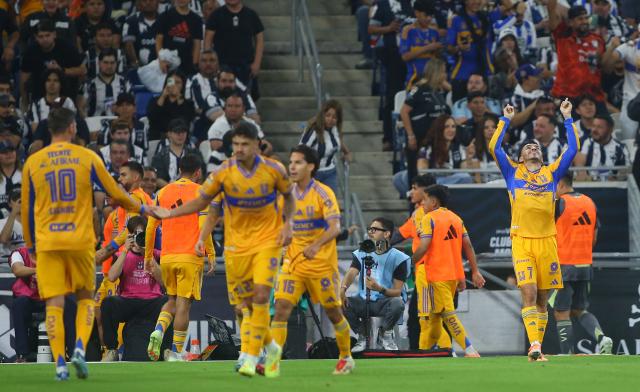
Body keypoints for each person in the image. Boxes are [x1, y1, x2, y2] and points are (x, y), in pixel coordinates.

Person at [151, 122, 295, 376]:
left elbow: (290, 198)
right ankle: (270, 346)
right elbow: (205, 203)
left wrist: (288, 225)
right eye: (235, 144)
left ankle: (250, 357)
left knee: (261, 296)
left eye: (244, 144)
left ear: (256, 145)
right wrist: (174, 216)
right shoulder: (224, 172)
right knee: (242, 307)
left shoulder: (274, 170)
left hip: (266, 243)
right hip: (236, 246)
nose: (239, 149)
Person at [20, 107, 151, 380]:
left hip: (48, 242)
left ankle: (59, 363)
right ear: (71, 128)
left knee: (54, 304)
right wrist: (144, 208)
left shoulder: (33, 162)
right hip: (79, 241)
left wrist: (32, 245)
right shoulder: (87, 157)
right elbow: (115, 192)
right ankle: (79, 348)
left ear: (48, 128)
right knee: (84, 299)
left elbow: (27, 209)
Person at [489, 100, 578, 361]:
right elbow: (494, 146)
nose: (532, 147)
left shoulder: (551, 173)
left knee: (542, 299)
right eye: (527, 146)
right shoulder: (512, 172)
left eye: (535, 146)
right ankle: (535, 346)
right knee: (528, 292)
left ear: (541, 154)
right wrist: (505, 120)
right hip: (522, 242)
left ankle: (536, 345)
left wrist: (567, 117)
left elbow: (572, 148)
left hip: (548, 241)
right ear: (521, 156)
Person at [268, 145, 354, 376]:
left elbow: (335, 227)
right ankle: (273, 361)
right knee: (282, 308)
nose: (292, 167)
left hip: (321, 265)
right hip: (294, 263)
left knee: (333, 312)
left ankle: (346, 357)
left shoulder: (323, 193)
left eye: (298, 162)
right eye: (291, 162)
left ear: (311, 166)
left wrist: (316, 245)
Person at [144, 153, 214, 362]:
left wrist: (149, 256)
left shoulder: (162, 192)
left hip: (167, 257)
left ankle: (158, 329)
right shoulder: (202, 193)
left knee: (171, 300)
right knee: (184, 304)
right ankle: (176, 351)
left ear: (178, 170)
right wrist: (210, 252)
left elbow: (150, 227)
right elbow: (204, 226)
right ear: (198, 172)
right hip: (189, 256)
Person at [411, 184, 485, 356]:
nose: (423, 204)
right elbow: (468, 245)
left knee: (447, 315)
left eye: (425, 200)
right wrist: (474, 271)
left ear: (434, 202)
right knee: (434, 319)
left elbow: (424, 246)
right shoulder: (456, 219)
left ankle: (470, 350)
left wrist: (410, 261)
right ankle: (425, 353)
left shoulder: (429, 219)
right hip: (453, 276)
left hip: (436, 275)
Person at [554, 173, 613, 355]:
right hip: (585, 265)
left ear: (561, 184)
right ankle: (602, 338)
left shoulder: (558, 204)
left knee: (561, 312)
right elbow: (594, 237)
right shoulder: (590, 202)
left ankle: (568, 353)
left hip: (564, 265)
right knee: (580, 309)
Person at [394, 174, 451, 350]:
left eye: (415, 188)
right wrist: (377, 244)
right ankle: (428, 352)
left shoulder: (432, 215)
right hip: (431, 273)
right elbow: (400, 234)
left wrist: (412, 260)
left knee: (430, 315)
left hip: (433, 272)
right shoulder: (418, 214)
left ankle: (438, 351)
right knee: (424, 316)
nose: (411, 192)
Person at [101, 216, 166, 361]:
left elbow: (164, 283)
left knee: (168, 302)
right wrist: (125, 251)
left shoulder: (155, 254)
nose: (139, 238)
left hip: (151, 301)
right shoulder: (121, 255)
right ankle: (112, 350)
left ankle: (167, 350)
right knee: (108, 303)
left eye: (142, 234)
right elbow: (111, 277)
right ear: (130, 236)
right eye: (136, 235)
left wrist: (146, 253)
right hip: (128, 301)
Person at [341, 217, 410, 351]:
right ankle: (363, 335)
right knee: (341, 302)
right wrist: (343, 288)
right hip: (363, 300)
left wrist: (380, 289)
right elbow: (351, 272)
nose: (370, 232)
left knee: (398, 303)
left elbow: (397, 292)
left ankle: (385, 334)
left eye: (375, 229)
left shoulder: (399, 258)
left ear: (387, 233)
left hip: (385, 302)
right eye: (369, 229)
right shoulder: (362, 251)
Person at [9, 246, 76, 363]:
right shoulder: (19, 253)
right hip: (29, 297)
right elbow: (17, 270)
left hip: (50, 297)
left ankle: (72, 354)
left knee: (69, 303)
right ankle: (22, 355)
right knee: (19, 304)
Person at [400, 58, 451, 185]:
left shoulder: (438, 91)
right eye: (443, 72)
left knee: (431, 174)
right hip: (418, 137)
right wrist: (410, 135)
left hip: (434, 139)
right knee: (415, 174)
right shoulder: (419, 89)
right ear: (436, 72)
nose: (445, 75)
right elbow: (404, 111)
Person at [548, 2, 606, 105]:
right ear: (570, 23)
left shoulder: (598, 39)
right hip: (568, 95)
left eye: (585, 18)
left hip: (594, 95)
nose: (584, 21)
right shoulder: (563, 37)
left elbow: (602, 64)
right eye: (580, 19)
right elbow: (551, 10)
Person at [20, 20, 85, 107]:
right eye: (41, 36)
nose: (45, 39)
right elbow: (24, 79)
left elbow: (82, 70)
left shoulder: (67, 48)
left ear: (54, 34)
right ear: (35, 37)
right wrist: (24, 101)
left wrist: (62, 70)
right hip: (39, 95)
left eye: (47, 35)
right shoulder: (31, 51)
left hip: (65, 94)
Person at [204, 0, 264, 92]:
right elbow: (208, 40)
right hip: (221, 67)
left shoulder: (251, 15)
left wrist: (257, 63)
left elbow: (260, 40)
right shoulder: (216, 15)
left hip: (246, 68)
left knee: (245, 100)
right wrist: (210, 63)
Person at [299, 99, 351, 193]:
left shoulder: (335, 130)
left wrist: (347, 153)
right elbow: (300, 150)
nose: (330, 120)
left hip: (330, 173)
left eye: (334, 117)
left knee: (330, 204)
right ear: (322, 115)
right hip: (313, 174)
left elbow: (339, 143)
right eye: (328, 115)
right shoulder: (314, 131)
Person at [446, 0, 493, 102]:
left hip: (482, 74)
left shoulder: (485, 18)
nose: (476, 2)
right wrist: (459, 48)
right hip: (461, 74)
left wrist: (490, 71)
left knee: (483, 112)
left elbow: (488, 47)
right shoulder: (456, 20)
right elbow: (449, 48)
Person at [416, 114, 474, 184]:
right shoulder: (427, 148)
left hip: (454, 182)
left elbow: (464, 172)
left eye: (453, 127)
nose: (451, 130)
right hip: (433, 184)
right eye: (447, 127)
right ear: (439, 128)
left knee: (465, 177)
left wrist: (469, 158)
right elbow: (422, 173)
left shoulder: (459, 148)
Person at [398, 0, 442, 89]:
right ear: (417, 13)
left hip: (432, 80)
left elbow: (438, 57)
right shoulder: (408, 30)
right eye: (426, 15)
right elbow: (405, 57)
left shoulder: (434, 31)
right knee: (413, 101)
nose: (429, 18)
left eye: (431, 16)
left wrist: (438, 49)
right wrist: (428, 48)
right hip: (414, 80)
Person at [574, 114, 630, 181]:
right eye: (593, 126)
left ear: (610, 129)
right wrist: (581, 172)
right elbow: (577, 161)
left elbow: (627, 170)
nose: (594, 130)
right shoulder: (583, 143)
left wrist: (617, 178)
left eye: (599, 127)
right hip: (587, 185)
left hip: (611, 187)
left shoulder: (620, 148)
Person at [155, 0, 202, 75]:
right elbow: (158, 41)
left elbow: (197, 45)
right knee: (170, 85)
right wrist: (161, 61)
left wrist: (194, 65)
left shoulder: (197, 20)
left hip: (187, 64)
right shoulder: (164, 16)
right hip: (167, 64)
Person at [146, 71, 196, 141]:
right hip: (157, 138)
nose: (174, 85)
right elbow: (152, 117)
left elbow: (185, 121)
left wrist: (179, 98)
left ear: (183, 85)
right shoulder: (155, 100)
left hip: (179, 139)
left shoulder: (189, 104)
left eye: (178, 82)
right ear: (166, 83)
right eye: (171, 81)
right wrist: (163, 96)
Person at [152, 118, 203, 186]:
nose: (180, 135)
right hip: (168, 191)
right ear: (169, 134)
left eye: (183, 132)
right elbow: (157, 178)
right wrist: (172, 189)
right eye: (177, 132)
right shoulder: (160, 156)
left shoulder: (195, 153)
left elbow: (200, 175)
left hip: (191, 190)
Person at [84, 49, 130, 117]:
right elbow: (81, 108)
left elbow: (132, 105)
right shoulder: (89, 84)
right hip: (95, 123)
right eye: (105, 62)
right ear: (99, 63)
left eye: (112, 63)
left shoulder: (125, 83)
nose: (109, 66)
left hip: (120, 123)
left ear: (116, 64)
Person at [122, 0, 160, 67]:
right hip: (138, 67)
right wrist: (136, 63)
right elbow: (128, 45)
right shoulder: (131, 21)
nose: (148, 2)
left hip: (161, 67)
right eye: (144, 0)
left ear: (158, 2)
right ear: (139, 3)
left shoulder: (164, 20)